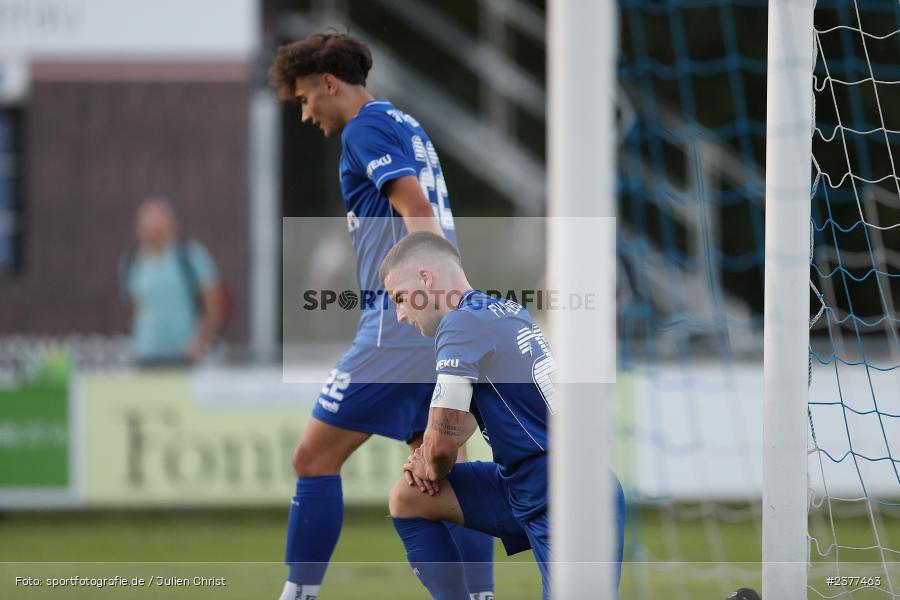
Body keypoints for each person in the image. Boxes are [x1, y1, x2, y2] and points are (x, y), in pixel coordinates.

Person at [269, 33, 494, 600]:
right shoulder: (405, 123)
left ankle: (298, 595)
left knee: (313, 458)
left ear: (328, 82)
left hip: (400, 325)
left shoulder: (363, 129)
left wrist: (430, 294)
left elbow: (416, 208)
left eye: (303, 99)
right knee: (444, 477)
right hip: (432, 324)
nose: (304, 113)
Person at [380, 232, 626, 599]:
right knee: (409, 498)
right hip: (528, 485)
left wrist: (428, 463)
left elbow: (443, 447)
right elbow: (464, 421)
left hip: (569, 498)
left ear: (426, 280)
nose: (400, 313)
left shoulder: (461, 324)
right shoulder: (505, 311)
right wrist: (428, 457)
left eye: (399, 297)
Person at [121, 197, 222, 367]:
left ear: (172, 226)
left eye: (159, 226)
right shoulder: (131, 262)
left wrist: (200, 341)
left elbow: (214, 305)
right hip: (145, 356)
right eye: (149, 226)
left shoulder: (189, 257)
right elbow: (136, 307)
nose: (154, 231)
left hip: (182, 356)